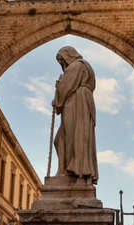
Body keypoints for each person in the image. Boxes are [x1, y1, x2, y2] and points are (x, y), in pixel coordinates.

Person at [52, 46, 98, 185]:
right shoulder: (83, 66)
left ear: (68, 56)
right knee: (64, 139)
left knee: (76, 138)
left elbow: (66, 87)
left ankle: (79, 174)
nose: (62, 65)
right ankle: (65, 171)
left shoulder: (76, 66)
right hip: (80, 102)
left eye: (62, 61)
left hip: (76, 104)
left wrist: (58, 89)